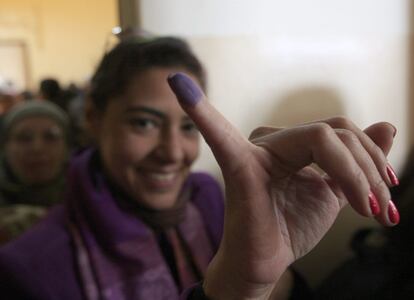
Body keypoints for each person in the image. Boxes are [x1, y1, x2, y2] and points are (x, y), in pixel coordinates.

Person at [0, 35, 398, 300]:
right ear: (94, 116)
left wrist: (270, 275)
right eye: (144, 122)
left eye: (189, 126)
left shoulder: (208, 197)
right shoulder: (29, 267)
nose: (173, 152)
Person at [0, 101, 70, 244]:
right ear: (5, 147)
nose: (37, 148)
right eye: (24, 138)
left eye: (51, 137)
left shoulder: (94, 202)